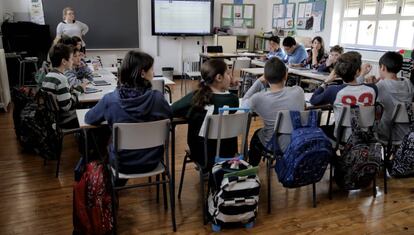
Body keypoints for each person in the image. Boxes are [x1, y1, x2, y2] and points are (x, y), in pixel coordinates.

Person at [85, 51, 172, 175]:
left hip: (122, 164)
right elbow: (170, 116)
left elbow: (89, 118)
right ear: (142, 73)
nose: (154, 73)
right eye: (152, 70)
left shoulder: (110, 100)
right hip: (152, 161)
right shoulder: (158, 98)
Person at [172, 59, 239, 170]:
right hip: (227, 155)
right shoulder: (233, 100)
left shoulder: (196, 97)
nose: (231, 77)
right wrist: (231, 87)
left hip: (202, 155)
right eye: (228, 73)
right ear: (219, 78)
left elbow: (173, 109)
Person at [242, 57, 305, 166]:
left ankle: (251, 170)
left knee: (256, 136)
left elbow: (244, 104)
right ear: (286, 75)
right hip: (297, 141)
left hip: (274, 145)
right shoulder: (299, 91)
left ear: (265, 78)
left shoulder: (258, 98)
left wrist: (258, 81)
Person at [310, 51, 377, 139]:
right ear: (358, 71)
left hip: (342, 136)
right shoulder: (373, 89)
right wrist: (362, 75)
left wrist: (326, 82)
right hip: (366, 136)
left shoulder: (333, 90)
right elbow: (357, 88)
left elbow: (313, 100)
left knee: (322, 127)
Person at [41, 43, 83, 129]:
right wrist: (78, 90)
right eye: (71, 59)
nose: (72, 61)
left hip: (52, 118)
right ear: (64, 61)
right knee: (88, 111)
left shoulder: (48, 76)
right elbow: (66, 106)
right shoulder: (61, 79)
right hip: (63, 119)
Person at [374, 51, 414, 141]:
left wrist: (372, 85)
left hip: (385, 133)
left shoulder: (381, 86)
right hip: (406, 133)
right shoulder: (408, 83)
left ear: (383, 67)